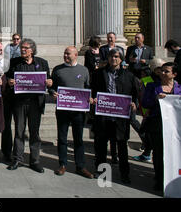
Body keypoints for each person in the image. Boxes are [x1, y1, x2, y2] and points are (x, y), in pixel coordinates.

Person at [90, 49, 140, 184]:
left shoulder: (129, 75)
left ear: (121, 59)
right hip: (103, 116)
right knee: (101, 146)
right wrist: (93, 99)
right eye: (112, 56)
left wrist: (134, 104)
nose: (114, 59)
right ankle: (101, 171)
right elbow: (92, 91)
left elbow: (134, 93)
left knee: (122, 146)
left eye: (117, 57)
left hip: (120, 117)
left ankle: (124, 174)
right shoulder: (98, 74)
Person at [6, 38, 52, 173]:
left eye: (25, 48)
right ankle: (18, 159)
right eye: (21, 48)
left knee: (34, 132)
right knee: (19, 131)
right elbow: (7, 78)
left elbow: (48, 80)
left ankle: (35, 160)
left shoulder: (42, 63)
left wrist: (50, 83)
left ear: (32, 50)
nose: (23, 50)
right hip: (19, 102)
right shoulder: (14, 63)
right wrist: (9, 81)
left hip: (35, 104)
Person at [49, 46, 94, 179]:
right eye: (64, 53)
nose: (65, 56)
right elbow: (52, 88)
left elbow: (87, 88)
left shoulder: (84, 70)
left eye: (68, 54)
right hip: (63, 110)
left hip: (78, 112)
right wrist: (53, 93)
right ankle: (62, 164)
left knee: (78, 139)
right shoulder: (57, 70)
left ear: (75, 55)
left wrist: (89, 98)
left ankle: (80, 166)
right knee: (62, 138)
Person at [142, 62, 181, 191]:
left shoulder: (179, 88)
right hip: (157, 124)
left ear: (174, 74)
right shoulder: (153, 86)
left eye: (166, 71)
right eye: (161, 71)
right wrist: (155, 98)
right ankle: (159, 179)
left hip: (175, 125)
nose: (162, 74)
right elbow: (145, 103)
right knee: (158, 153)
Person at [133, 58, 165, 163]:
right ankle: (147, 153)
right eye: (160, 69)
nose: (163, 71)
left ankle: (147, 152)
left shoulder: (165, 81)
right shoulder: (148, 81)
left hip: (162, 113)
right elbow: (142, 98)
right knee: (149, 134)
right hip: (150, 112)